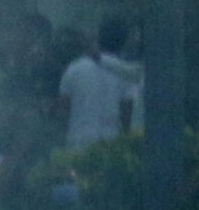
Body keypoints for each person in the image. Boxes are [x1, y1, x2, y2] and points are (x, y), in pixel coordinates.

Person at [61, 19, 146, 148]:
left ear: (99, 37)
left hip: (77, 142)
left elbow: (64, 108)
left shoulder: (73, 69)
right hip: (111, 144)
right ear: (125, 42)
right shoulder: (127, 74)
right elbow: (126, 112)